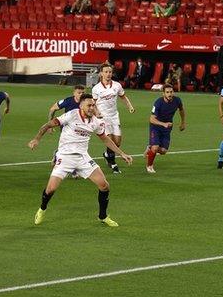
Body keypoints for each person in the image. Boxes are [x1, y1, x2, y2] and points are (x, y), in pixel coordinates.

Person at [28, 94, 133, 227]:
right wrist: (36, 139)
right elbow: (48, 125)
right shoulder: (71, 115)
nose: (91, 108)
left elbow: (105, 139)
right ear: (81, 105)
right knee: (50, 189)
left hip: (83, 158)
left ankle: (103, 216)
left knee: (104, 185)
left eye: (93, 105)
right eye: (89, 105)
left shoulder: (96, 122)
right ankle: (42, 209)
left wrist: (121, 153)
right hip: (65, 157)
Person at [92, 63, 135, 174]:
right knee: (109, 139)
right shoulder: (96, 88)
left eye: (110, 72)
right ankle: (113, 163)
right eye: (106, 72)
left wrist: (130, 106)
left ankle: (107, 155)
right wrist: (96, 113)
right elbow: (93, 103)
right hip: (103, 118)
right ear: (101, 73)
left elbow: (123, 96)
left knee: (117, 142)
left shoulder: (117, 85)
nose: (108, 74)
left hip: (114, 116)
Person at [144, 84, 185, 173]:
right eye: (167, 92)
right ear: (163, 94)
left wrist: (183, 122)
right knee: (155, 148)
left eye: (171, 92)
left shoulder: (177, 100)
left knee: (163, 151)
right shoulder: (158, 102)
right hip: (156, 126)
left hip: (167, 128)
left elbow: (181, 110)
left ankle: (149, 148)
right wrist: (163, 124)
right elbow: (151, 119)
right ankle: (149, 166)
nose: (169, 94)